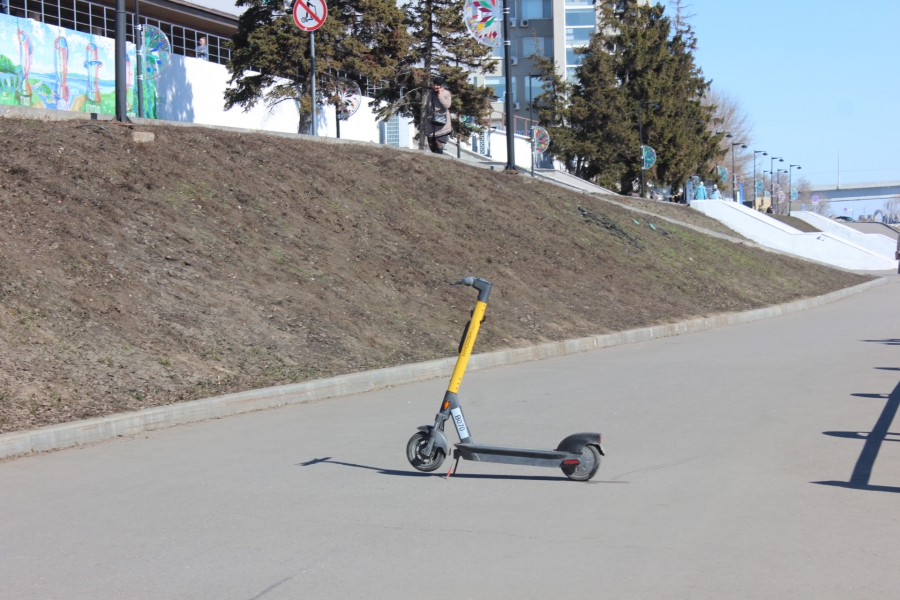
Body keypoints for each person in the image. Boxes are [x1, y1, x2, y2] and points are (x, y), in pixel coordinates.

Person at [424, 76, 451, 154]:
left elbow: (447, 105)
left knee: (438, 141)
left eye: (437, 85)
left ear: (441, 85)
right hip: (431, 121)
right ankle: (435, 156)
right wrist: (427, 116)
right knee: (431, 143)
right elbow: (427, 106)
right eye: (434, 84)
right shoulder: (430, 94)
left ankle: (440, 157)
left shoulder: (446, 93)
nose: (436, 86)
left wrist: (440, 96)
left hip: (442, 122)